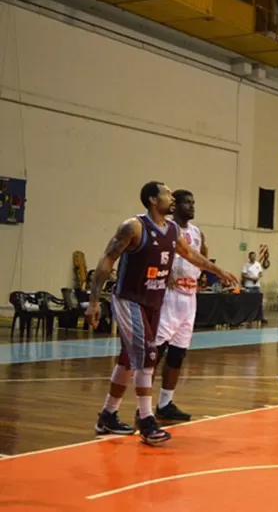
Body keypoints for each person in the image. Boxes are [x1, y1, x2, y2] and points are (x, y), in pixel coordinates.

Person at [88, 182, 236, 445]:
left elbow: (191, 255)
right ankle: (146, 419)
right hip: (129, 299)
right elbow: (107, 259)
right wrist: (94, 300)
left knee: (127, 360)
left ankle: (108, 415)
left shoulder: (171, 231)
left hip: (153, 302)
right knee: (148, 356)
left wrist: (218, 270)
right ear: (153, 200)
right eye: (167, 194)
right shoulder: (133, 226)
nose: (172, 198)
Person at [153, 189, 207, 422]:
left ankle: (165, 403)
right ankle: (142, 405)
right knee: (156, 352)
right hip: (169, 295)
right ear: (176, 205)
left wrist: (202, 273)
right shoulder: (166, 229)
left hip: (189, 296)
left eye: (193, 202)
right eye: (187, 202)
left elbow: (203, 254)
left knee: (178, 354)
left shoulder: (196, 232)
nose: (192, 206)